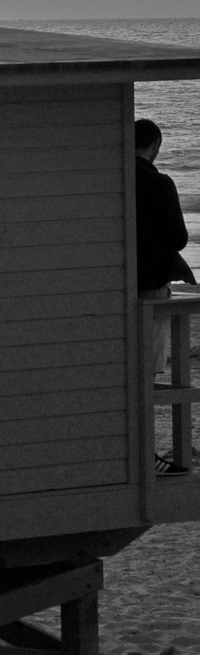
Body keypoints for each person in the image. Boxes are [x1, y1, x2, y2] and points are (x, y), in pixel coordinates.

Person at [135, 119, 195, 474]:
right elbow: (179, 238)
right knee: (146, 374)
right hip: (150, 288)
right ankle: (147, 456)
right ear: (155, 144)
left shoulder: (115, 178)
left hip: (114, 284)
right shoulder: (159, 183)